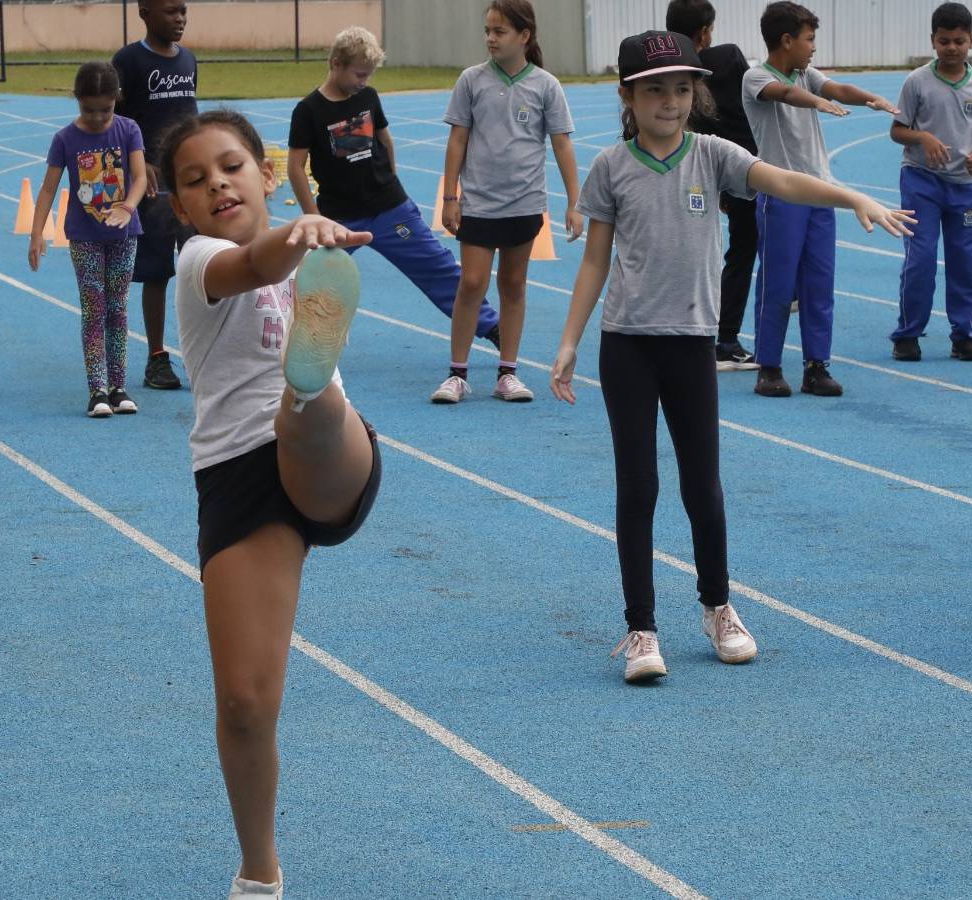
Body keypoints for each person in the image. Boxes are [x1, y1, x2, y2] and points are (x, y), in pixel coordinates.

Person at [549, 31, 912, 683]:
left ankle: (718, 608)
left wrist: (853, 195)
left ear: (697, 94)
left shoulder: (712, 155)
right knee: (637, 486)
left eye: (682, 89)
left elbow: (783, 181)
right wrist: (571, 341)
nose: (670, 101)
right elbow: (596, 260)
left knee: (701, 485)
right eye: (655, 89)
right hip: (627, 345)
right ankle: (641, 629)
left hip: (691, 344)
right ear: (628, 95)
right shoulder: (611, 168)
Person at [163, 109, 380, 898]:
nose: (216, 183)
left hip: (329, 460)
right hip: (238, 477)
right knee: (246, 702)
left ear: (264, 172)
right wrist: (301, 236)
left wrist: (310, 236)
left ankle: (309, 386)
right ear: (181, 207)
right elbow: (251, 267)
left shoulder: (306, 240)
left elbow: (286, 245)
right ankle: (259, 874)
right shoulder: (198, 262)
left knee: (308, 411)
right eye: (195, 180)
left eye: (230, 167)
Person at [287, 26, 502, 349]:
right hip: (339, 218)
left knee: (438, 267)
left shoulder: (368, 98)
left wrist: (391, 181)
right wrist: (313, 217)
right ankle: (298, 343)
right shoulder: (308, 111)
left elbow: (384, 139)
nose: (364, 82)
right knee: (312, 281)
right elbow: (295, 168)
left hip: (389, 208)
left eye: (369, 75)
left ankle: (491, 327)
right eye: (359, 74)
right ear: (335, 64)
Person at [742, 1, 899, 398]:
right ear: (786, 40)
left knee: (819, 283)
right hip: (781, 194)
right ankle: (769, 366)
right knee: (777, 284)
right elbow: (782, 94)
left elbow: (838, 88)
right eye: (809, 39)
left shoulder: (805, 73)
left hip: (821, 193)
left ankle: (816, 365)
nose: (813, 47)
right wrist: (815, 101)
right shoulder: (756, 76)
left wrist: (870, 98)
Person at [435, 0, 581, 404]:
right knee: (472, 283)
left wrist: (574, 201)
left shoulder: (546, 85)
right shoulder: (471, 80)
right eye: (488, 31)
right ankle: (457, 374)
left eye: (499, 31)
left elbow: (562, 144)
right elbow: (458, 140)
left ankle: (507, 373)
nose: (490, 39)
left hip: (524, 203)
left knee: (513, 285)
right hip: (479, 203)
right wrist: (451, 196)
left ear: (524, 36)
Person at [28, 62, 147, 417]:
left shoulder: (128, 130)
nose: (97, 118)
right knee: (94, 309)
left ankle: (119, 386)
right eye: (88, 109)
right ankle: (97, 390)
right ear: (77, 100)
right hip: (84, 237)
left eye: (105, 109)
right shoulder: (66, 139)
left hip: (124, 234)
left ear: (117, 99)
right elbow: (48, 188)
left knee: (118, 308)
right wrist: (38, 233)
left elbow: (139, 177)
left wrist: (127, 207)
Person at [887, 2, 972, 363]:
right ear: (933, 41)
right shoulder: (916, 82)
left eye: (959, 41)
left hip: (965, 186)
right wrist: (924, 138)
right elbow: (897, 130)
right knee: (920, 257)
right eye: (944, 40)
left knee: (965, 260)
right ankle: (908, 333)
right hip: (921, 181)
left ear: (971, 41)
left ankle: (964, 333)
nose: (952, 47)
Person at [665, 0, 761, 371]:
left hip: (684, 173)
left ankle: (691, 334)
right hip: (741, 167)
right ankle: (725, 339)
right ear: (704, 32)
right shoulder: (726, 59)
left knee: (687, 254)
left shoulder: (666, 72)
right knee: (743, 252)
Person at [112, 0, 196, 389]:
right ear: (145, 12)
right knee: (157, 272)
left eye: (183, 10)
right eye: (169, 11)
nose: (179, 18)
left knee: (200, 266)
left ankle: (206, 353)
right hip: (152, 189)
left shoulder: (189, 60)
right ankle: (157, 358)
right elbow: (113, 118)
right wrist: (139, 161)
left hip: (190, 183)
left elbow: (190, 118)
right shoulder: (128, 60)